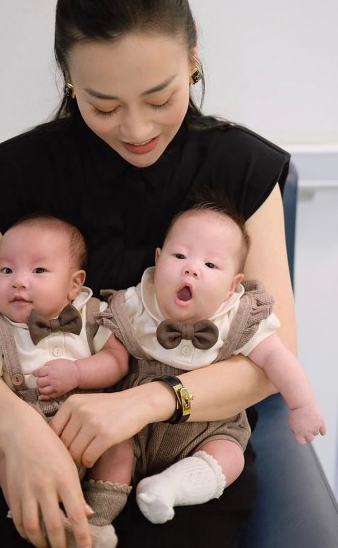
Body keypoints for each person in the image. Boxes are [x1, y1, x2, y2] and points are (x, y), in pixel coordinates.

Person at [0, 0, 296, 547]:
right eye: (102, 105)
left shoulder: (244, 168)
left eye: (159, 98)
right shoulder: (18, 172)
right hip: (34, 441)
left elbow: (272, 361)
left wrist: (149, 402)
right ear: (68, 77)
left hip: (186, 451)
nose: (136, 129)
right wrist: (16, 428)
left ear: (193, 54)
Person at [86, 199, 325, 527]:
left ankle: (171, 488)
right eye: (179, 256)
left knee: (230, 456)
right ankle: (96, 523)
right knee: (115, 449)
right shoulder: (135, 305)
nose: (191, 268)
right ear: (158, 259)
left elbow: (277, 357)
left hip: (210, 425)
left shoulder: (237, 317)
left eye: (211, 265)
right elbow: (102, 349)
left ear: (232, 285)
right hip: (135, 424)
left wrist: (302, 405)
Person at [0, 214, 130, 546]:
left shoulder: (92, 312)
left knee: (120, 448)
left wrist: (78, 372)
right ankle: (35, 516)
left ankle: (98, 520)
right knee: (1, 457)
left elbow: (117, 360)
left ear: (74, 284)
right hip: (19, 428)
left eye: (39, 271)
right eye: (7, 270)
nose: (19, 281)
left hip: (82, 422)